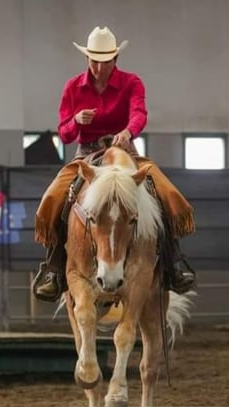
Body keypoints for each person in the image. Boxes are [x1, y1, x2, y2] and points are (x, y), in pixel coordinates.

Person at [32, 26, 196, 302]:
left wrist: (128, 132)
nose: (98, 66)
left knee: (166, 194)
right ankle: (55, 267)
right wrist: (76, 121)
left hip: (124, 152)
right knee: (54, 198)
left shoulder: (132, 83)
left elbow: (139, 113)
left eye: (104, 60)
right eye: (93, 60)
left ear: (115, 60)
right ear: (87, 59)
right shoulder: (73, 87)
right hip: (86, 154)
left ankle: (173, 261)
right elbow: (64, 133)